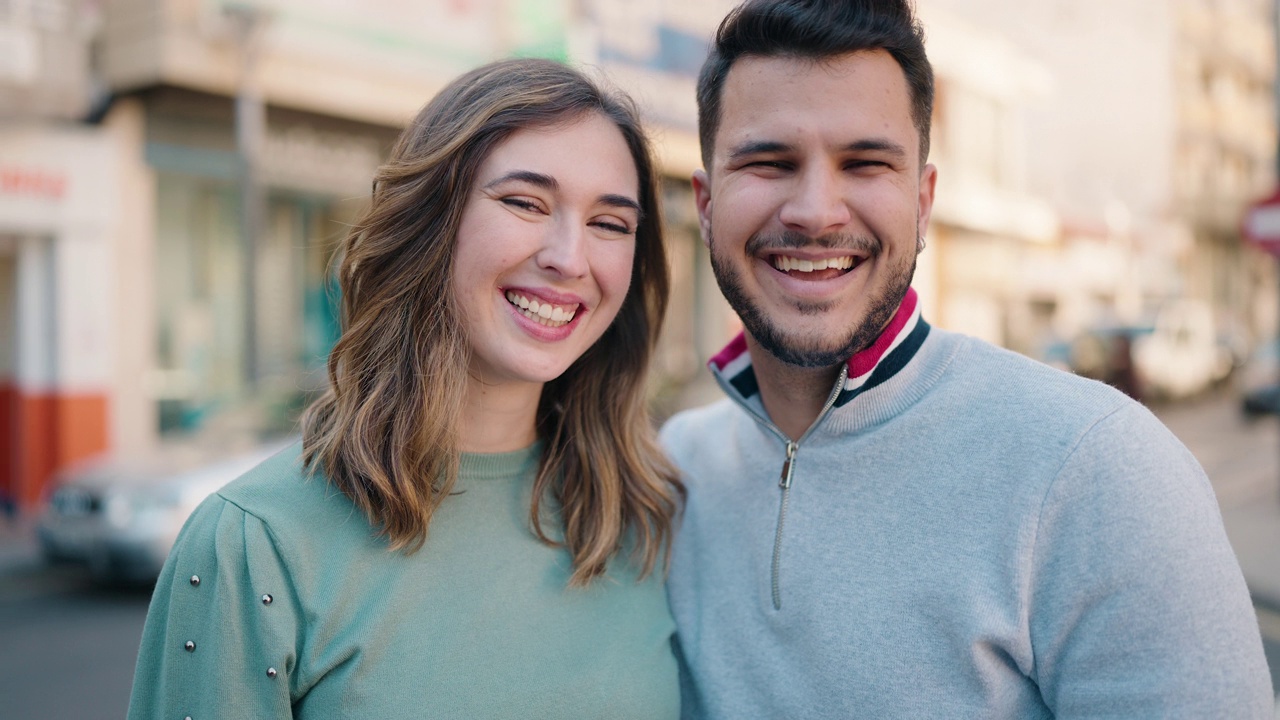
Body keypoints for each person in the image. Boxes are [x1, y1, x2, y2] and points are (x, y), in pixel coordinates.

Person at [660, 1, 1275, 717]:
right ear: (705, 204)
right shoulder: (676, 473)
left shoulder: (1098, 467)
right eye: (769, 162)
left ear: (923, 203)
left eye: (864, 163)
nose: (817, 211)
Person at [127, 57, 684, 719]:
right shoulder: (253, 543)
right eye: (524, 202)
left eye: (610, 224)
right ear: (431, 221)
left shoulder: (647, 519)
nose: (570, 257)